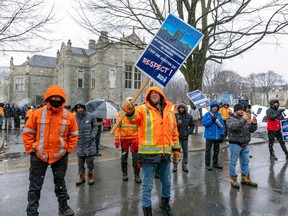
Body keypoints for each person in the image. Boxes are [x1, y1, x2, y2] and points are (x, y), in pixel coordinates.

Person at [123, 86, 180, 216]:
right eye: (151, 93)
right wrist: (129, 109)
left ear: (161, 95)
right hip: (148, 155)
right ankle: (147, 210)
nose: (154, 95)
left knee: (166, 182)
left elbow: (174, 132)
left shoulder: (169, 112)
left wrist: (176, 150)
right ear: (148, 96)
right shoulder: (142, 109)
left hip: (165, 154)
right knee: (147, 185)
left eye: (156, 93)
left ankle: (164, 204)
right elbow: (132, 119)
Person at [22, 85, 79, 216]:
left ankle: (64, 207)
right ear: (47, 98)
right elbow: (27, 132)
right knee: (35, 186)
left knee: (60, 183)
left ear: (62, 99)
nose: (55, 99)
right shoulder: (37, 113)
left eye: (58, 97)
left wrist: (68, 150)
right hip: (39, 155)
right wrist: (31, 149)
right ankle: (32, 211)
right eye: (52, 97)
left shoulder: (69, 116)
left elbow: (74, 134)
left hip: (60, 155)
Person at [226, 103, 258, 189]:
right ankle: (233, 179)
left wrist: (254, 123)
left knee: (245, 162)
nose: (241, 111)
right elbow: (234, 127)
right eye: (240, 110)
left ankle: (245, 178)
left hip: (245, 144)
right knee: (233, 162)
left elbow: (251, 130)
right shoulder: (230, 119)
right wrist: (244, 119)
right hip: (235, 144)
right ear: (235, 110)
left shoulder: (244, 119)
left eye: (242, 110)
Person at [114, 108, 141, 183]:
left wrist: (139, 137)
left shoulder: (136, 113)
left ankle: (137, 175)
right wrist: (116, 138)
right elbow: (117, 126)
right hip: (124, 139)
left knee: (136, 158)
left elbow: (140, 126)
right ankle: (124, 174)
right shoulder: (121, 113)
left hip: (134, 139)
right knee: (124, 157)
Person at [74, 100, 97, 185]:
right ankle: (81, 177)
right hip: (79, 144)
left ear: (84, 108)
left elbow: (95, 127)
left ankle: (90, 176)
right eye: (78, 108)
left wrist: (92, 136)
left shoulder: (91, 116)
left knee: (90, 163)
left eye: (81, 107)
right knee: (80, 163)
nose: (80, 109)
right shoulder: (74, 118)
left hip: (90, 144)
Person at [202, 101, 225, 171]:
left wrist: (222, 134)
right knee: (208, 151)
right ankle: (207, 164)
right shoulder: (207, 115)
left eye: (216, 107)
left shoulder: (219, 115)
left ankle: (215, 163)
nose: (215, 108)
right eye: (213, 107)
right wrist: (211, 120)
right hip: (209, 136)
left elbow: (222, 126)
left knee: (216, 151)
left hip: (217, 136)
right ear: (211, 107)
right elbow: (204, 123)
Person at [174, 103, 194, 173]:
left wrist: (188, 132)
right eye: (180, 108)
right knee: (176, 152)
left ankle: (184, 165)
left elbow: (192, 125)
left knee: (185, 152)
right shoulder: (175, 116)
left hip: (185, 137)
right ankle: (175, 165)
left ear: (185, 108)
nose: (181, 109)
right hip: (176, 138)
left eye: (183, 108)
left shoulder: (189, 116)